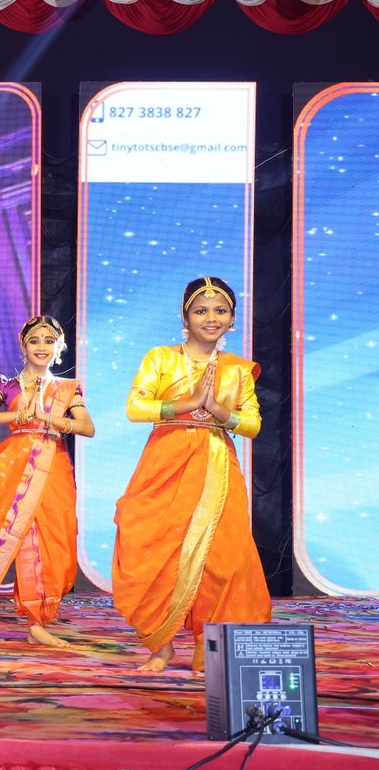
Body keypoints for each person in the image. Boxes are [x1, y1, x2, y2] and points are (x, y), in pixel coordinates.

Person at [113, 277, 270, 671]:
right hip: (165, 462)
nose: (210, 318)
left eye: (220, 310)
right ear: (185, 317)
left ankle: (209, 643)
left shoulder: (238, 370)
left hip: (216, 466)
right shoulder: (160, 358)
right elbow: (135, 407)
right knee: (153, 546)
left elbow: (253, 424)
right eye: (201, 310)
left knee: (221, 556)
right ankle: (161, 645)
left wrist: (218, 410)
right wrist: (188, 403)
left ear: (232, 319)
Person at [0, 316, 95, 647]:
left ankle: (37, 624)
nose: (41, 346)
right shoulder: (6, 384)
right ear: (23, 346)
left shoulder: (68, 388)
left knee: (49, 541)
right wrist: (19, 416)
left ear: (59, 347)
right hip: (13, 464)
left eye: (49, 340)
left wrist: (50, 419)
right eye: (34, 340)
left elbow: (87, 428)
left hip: (53, 467)